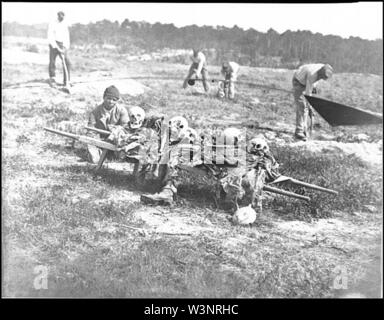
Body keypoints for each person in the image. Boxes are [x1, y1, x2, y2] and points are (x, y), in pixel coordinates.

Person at [87, 86, 129, 163]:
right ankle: (101, 154)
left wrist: (115, 132)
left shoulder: (122, 111)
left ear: (117, 101)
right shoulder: (95, 112)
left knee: (122, 158)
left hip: (116, 142)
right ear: (104, 97)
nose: (111, 102)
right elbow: (90, 131)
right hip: (100, 141)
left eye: (114, 100)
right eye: (109, 98)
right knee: (94, 159)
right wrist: (96, 140)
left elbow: (126, 128)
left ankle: (110, 155)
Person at [292, 63, 333, 141]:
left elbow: (312, 87)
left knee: (309, 109)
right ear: (320, 73)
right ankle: (299, 131)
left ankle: (308, 129)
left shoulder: (325, 68)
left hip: (308, 80)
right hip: (298, 81)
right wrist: (310, 104)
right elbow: (308, 95)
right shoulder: (312, 75)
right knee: (302, 106)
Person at [47, 11, 71, 90]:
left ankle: (67, 81)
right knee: (52, 61)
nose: (62, 17)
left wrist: (64, 47)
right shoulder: (52, 23)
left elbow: (66, 37)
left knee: (67, 62)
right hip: (54, 44)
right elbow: (50, 36)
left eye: (63, 16)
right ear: (58, 16)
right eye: (60, 16)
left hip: (62, 44)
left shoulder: (65, 24)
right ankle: (52, 78)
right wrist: (57, 47)